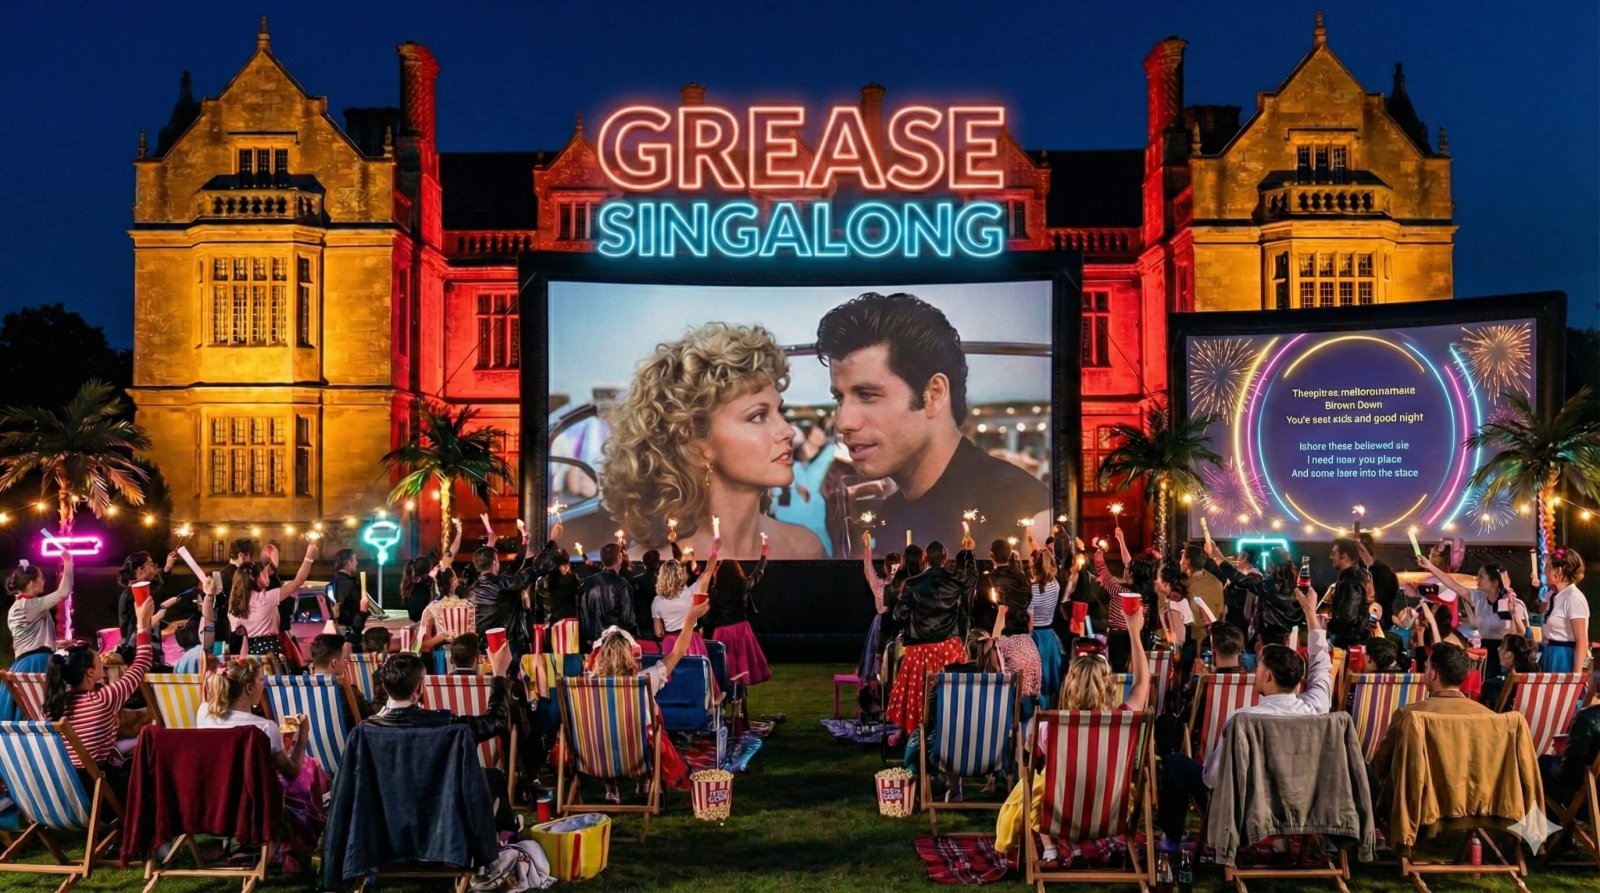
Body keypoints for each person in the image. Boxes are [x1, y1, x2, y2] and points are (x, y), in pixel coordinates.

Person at [816, 292, 1049, 546]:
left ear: (934, 394)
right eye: (840, 398)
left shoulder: (1027, 516)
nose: (843, 422)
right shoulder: (890, 514)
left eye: (867, 395)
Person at [600, 322, 826, 560]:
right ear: (695, 444)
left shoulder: (803, 549)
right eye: (758, 416)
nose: (788, 431)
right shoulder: (646, 567)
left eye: (781, 412)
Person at [1156, 585, 1328, 844]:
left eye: (1258, 667)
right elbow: (1321, 665)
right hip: (1298, 802)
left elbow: (1212, 778)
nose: (1254, 670)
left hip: (1248, 807)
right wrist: (1310, 613)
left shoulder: (1244, 720)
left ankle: (1171, 839)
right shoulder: (1317, 709)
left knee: (1174, 764)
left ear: (1268, 676)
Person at [995, 609, 1151, 862]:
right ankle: (1093, 846)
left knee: (1036, 784)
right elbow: (1143, 682)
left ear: (1069, 685)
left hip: (1061, 812)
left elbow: (1030, 752)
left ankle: (1051, 850)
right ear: (1108, 685)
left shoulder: (1051, 725)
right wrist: (1134, 631)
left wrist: (1029, 738)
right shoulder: (1123, 720)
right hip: (1111, 810)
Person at [363, 645, 517, 831]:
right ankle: (504, 837)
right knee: (493, 778)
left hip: (386, 813)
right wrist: (499, 675)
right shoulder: (443, 724)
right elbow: (495, 721)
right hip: (440, 809)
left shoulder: (365, 730)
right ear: (420, 687)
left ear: (385, 687)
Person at [198, 658, 325, 876]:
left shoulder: (204, 714)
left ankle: (258, 846)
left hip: (217, 801)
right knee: (308, 768)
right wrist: (302, 734)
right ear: (248, 688)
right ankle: (295, 843)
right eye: (260, 680)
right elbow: (291, 771)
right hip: (255, 805)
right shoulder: (264, 727)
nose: (263, 684)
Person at [588, 599, 713, 798]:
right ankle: (644, 781)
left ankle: (611, 790)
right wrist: (689, 619)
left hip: (595, 754)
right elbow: (679, 651)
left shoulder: (585, 685)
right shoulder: (644, 680)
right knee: (648, 730)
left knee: (604, 730)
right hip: (636, 755)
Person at [45, 592, 155, 796]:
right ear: (89, 673)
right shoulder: (103, 699)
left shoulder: (54, 706)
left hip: (63, 791)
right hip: (97, 792)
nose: (103, 662)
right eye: (99, 660)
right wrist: (142, 623)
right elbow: (143, 662)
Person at [887, 537, 977, 732]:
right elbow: (971, 580)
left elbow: (898, 615)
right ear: (944, 559)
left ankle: (916, 734)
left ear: (925, 558)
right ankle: (950, 732)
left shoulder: (912, 583)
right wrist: (969, 554)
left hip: (919, 650)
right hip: (948, 648)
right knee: (952, 695)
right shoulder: (954, 582)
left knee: (918, 695)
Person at [1370, 643, 1491, 787]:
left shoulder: (1409, 715)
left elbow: (1381, 767)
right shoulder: (1488, 716)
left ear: (1433, 675)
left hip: (1422, 801)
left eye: (1426, 667)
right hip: (1470, 800)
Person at [467, 520, 564, 662]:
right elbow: (536, 569)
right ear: (495, 563)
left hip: (483, 652)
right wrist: (553, 540)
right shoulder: (503, 584)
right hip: (509, 651)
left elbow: (515, 568)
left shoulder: (469, 592)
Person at [5, 554, 74, 709]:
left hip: (22, 664)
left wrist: (55, 644)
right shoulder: (29, 605)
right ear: (31, 582)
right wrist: (68, 562)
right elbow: (63, 592)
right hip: (37, 663)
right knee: (41, 711)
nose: (44, 581)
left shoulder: (17, 607)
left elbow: (31, 639)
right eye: (41, 578)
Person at [227, 544, 319, 656]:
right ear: (254, 579)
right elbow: (298, 581)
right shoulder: (266, 598)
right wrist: (309, 557)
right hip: (270, 650)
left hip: (248, 652)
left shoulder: (233, 607)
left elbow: (238, 633)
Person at [705, 537, 773, 686]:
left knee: (725, 665)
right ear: (737, 571)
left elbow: (710, 613)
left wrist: (713, 552)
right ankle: (741, 699)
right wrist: (764, 556)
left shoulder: (715, 590)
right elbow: (757, 574)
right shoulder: (742, 584)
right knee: (742, 662)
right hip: (741, 628)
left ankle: (729, 695)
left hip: (722, 630)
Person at [987, 543, 1041, 712]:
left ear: (991, 555)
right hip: (1025, 640)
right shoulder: (1023, 578)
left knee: (1001, 693)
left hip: (1000, 638)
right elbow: (1028, 602)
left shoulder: (989, 579)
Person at [772, 420, 838, 555]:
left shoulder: (802, 464)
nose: (820, 436)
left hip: (797, 520)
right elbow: (810, 485)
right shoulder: (797, 467)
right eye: (815, 434)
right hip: (805, 522)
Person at [115, 551, 185, 662]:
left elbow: (156, 585)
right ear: (140, 570)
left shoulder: (138, 591)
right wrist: (161, 612)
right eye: (151, 564)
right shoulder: (133, 594)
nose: (155, 568)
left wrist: (167, 567)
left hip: (148, 652)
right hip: (137, 655)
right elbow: (140, 626)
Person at [1025, 538, 1065, 706]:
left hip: (1037, 638)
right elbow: (1047, 558)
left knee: (1035, 680)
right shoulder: (1055, 585)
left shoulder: (1032, 589)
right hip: (1050, 637)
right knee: (1049, 679)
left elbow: (1030, 621)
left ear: (1035, 567)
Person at [579, 542, 638, 649]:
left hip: (593, 643)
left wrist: (587, 637)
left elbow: (583, 612)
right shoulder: (623, 586)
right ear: (619, 558)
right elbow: (628, 618)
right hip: (616, 643)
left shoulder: (587, 583)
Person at [1540, 547, 1589, 673]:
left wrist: (1576, 677)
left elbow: (1582, 640)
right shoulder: (1555, 596)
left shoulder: (1573, 598)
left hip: (1564, 657)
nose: (1545, 572)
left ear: (1559, 571)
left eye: (1548, 568)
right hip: (1550, 654)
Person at [651, 558, 707, 657]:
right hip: (691, 639)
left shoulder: (657, 601)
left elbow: (658, 632)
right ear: (681, 575)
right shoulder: (692, 591)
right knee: (696, 670)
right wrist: (714, 552)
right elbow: (706, 574)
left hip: (671, 642)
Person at [1324, 538, 1371, 647]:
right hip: (1352, 638)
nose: (1331, 557)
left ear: (1343, 556)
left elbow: (1348, 618)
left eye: (1333, 554)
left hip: (1350, 641)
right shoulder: (1355, 575)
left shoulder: (1351, 580)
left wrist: (1327, 625)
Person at [418, 565, 475, 653]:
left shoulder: (466, 604)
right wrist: (443, 636)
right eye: (456, 578)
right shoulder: (432, 608)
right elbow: (422, 644)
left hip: (467, 651)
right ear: (452, 581)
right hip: (445, 654)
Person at [1183, 544, 1225, 644]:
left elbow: (1193, 618)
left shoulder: (1191, 587)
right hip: (1217, 635)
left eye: (1182, 558)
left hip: (1197, 639)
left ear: (1188, 561)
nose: (1180, 562)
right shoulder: (1215, 581)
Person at [327, 549, 366, 650]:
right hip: (349, 632)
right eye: (355, 560)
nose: (356, 563)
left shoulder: (331, 584)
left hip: (334, 628)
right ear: (349, 561)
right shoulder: (351, 585)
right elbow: (357, 611)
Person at [629, 549, 663, 639]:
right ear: (658, 563)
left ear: (643, 563)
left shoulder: (635, 581)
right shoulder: (665, 581)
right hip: (662, 626)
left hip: (641, 626)